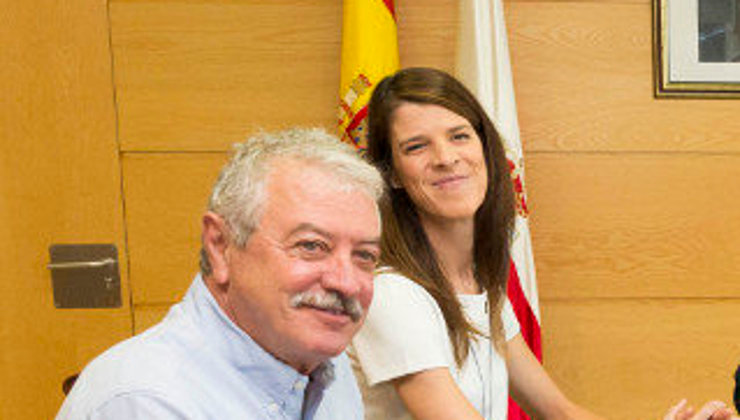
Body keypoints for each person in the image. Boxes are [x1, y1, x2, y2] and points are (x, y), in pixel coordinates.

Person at [349, 67, 737, 420]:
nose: (446, 157)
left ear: (485, 147)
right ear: (392, 175)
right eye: (416, 147)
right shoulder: (391, 293)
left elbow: (561, 413)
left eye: (459, 136)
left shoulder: (482, 281)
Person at [56, 128, 384, 420]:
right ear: (220, 245)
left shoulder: (321, 363)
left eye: (364, 256)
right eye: (312, 246)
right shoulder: (147, 403)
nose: (345, 282)